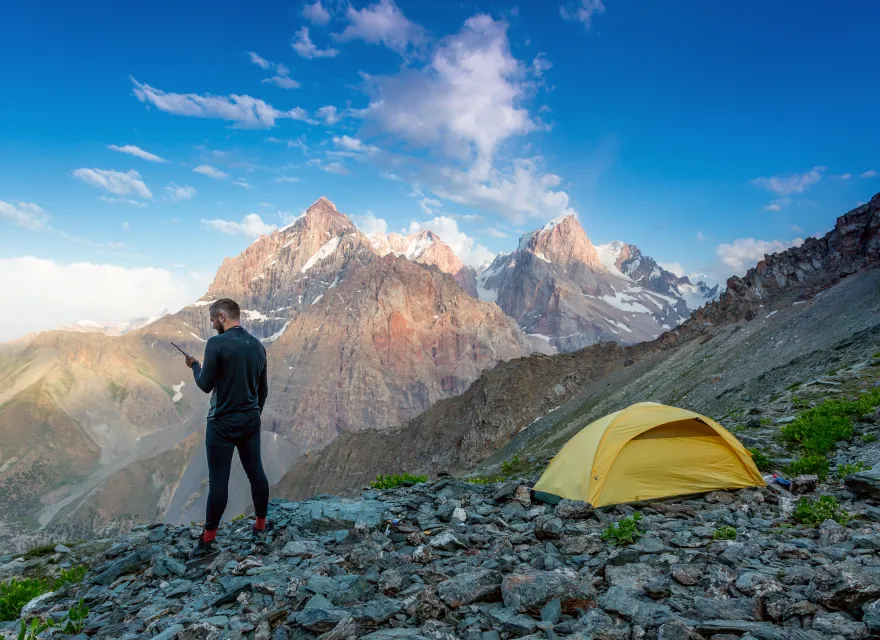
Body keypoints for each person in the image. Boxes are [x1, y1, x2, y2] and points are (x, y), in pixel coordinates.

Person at [182, 298, 270, 559]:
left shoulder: (216, 344)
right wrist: (254, 415)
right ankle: (260, 528)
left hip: (221, 423)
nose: (212, 326)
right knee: (256, 473)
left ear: (222, 316)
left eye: (212, 320)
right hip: (250, 420)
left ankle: (208, 541)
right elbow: (262, 390)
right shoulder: (258, 347)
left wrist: (195, 367)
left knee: (218, 482)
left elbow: (206, 385)